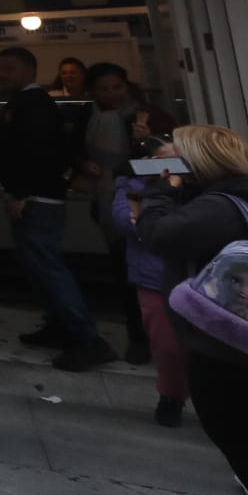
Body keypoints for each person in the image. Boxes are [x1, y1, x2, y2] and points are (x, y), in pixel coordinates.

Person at [135, 124, 248, 495]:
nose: (168, 164)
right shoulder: (227, 198)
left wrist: (161, 188)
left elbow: (159, 235)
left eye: (177, 156)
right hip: (228, 333)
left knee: (232, 425)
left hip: (226, 340)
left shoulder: (220, 208)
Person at [0, 46, 117, 370]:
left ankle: (86, 338)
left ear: (30, 71)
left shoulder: (33, 104)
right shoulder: (26, 103)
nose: (2, 74)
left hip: (38, 199)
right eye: (0, 68)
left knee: (48, 268)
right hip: (37, 195)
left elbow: (39, 152)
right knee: (40, 269)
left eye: (9, 68)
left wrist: (20, 192)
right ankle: (60, 326)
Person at [79, 62, 176, 365]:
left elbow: (172, 160)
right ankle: (139, 336)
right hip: (107, 200)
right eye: (103, 89)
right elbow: (74, 147)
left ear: (127, 85)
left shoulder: (150, 115)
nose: (111, 94)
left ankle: (163, 337)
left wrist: (148, 140)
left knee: (153, 272)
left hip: (150, 202)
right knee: (124, 271)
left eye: (117, 87)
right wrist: (83, 163)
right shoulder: (88, 115)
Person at [111, 136, 189, 426]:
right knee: (167, 347)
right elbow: (127, 223)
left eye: (178, 160)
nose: (171, 168)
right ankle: (172, 396)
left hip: (198, 274)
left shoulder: (200, 188)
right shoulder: (131, 187)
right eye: (163, 161)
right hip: (155, 278)